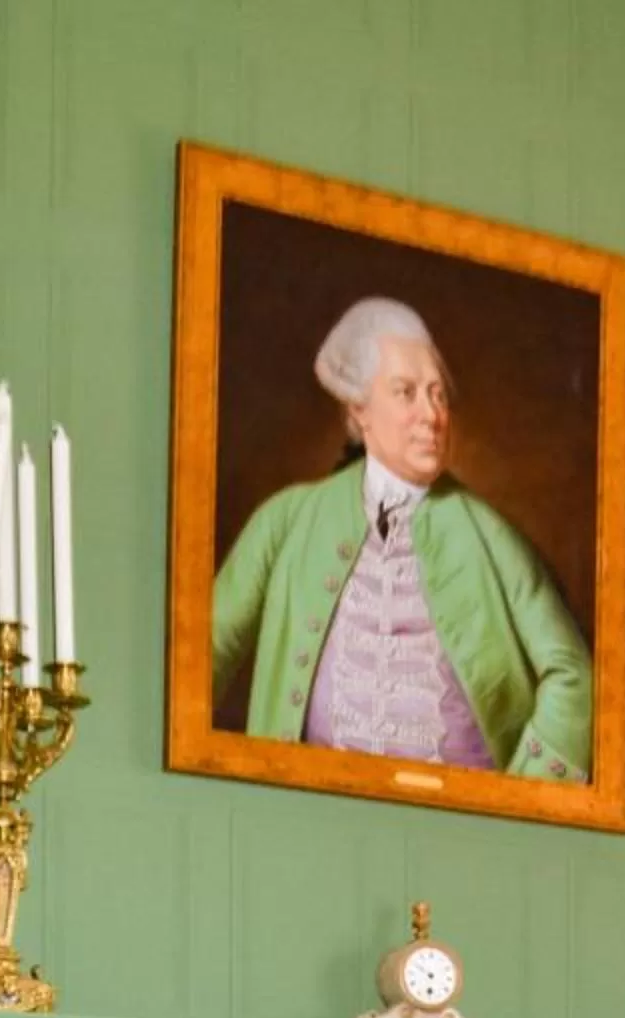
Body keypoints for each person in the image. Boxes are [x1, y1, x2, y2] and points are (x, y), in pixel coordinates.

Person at [211, 296, 592, 780]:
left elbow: (575, 676)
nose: (431, 414)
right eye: (406, 392)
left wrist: (523, 796)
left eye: (437, 394)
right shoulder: (286, 520)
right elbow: (202, 652)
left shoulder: (491, 537)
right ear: (359, 408)